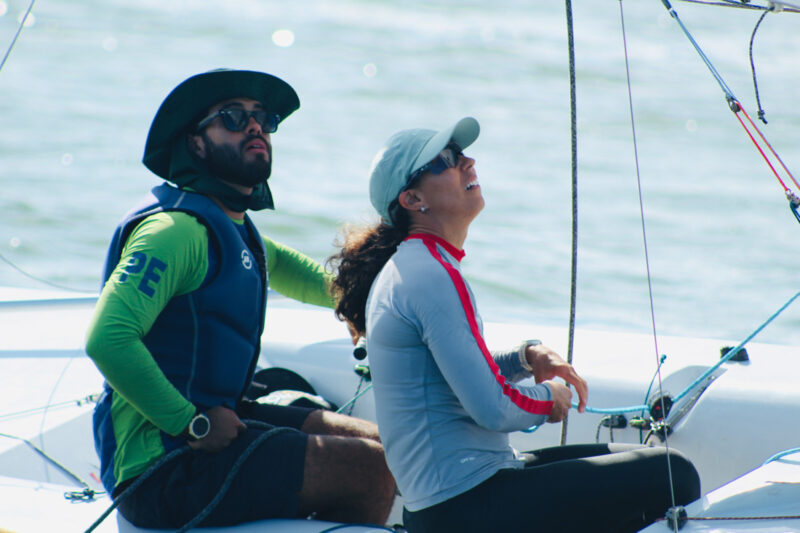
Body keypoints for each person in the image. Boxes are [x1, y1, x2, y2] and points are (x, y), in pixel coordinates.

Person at [328, 116, 701, 532]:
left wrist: (524, 359)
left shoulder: (417, 266)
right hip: (463, 506)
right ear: (413, 199)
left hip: (458, 498)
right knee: (673, 475)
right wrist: (548, 398)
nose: (467, 162)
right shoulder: (430, 273)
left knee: (646, 463)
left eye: (462, 154)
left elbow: (456, 372)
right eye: (446, 159)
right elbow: (492, 408)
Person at [85, 69, 395, 529]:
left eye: (263, 118)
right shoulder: (173, 232)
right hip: (161, 466)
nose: (254, 126)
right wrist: (192, 422)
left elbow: (304, 275)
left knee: (390, 450)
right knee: (370, 472)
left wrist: (369, 300)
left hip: (218, 422)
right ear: (196, 143)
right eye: (232, 117)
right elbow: (107, 339)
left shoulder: (235, 231)